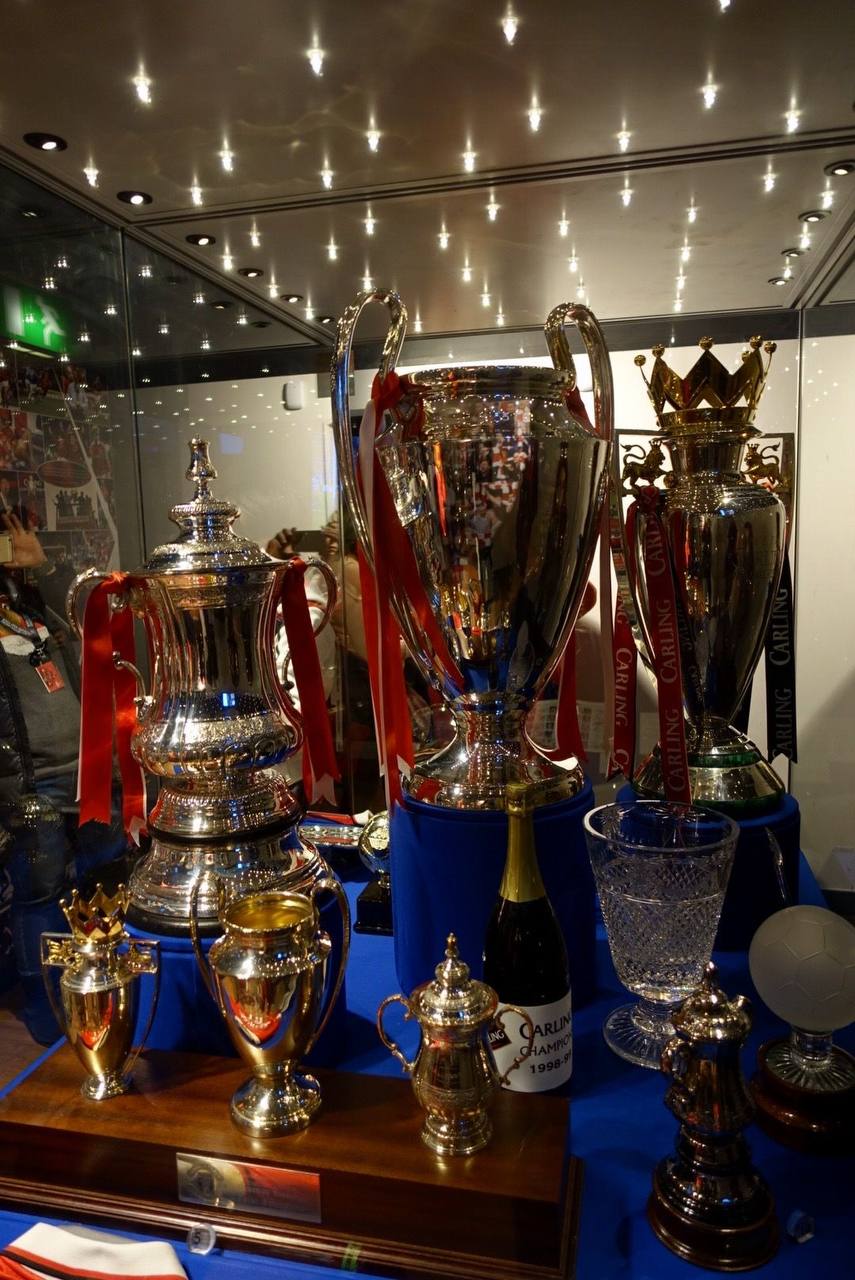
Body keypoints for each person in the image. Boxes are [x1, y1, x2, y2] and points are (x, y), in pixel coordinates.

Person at [0, 508, 128, 1043]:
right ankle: (47, 1005)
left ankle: (104, 990)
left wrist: (43, 568)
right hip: (33, 787)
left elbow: (90, 625)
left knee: (104, 878)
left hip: (89, 774)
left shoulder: (31, 607)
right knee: (40, 895)